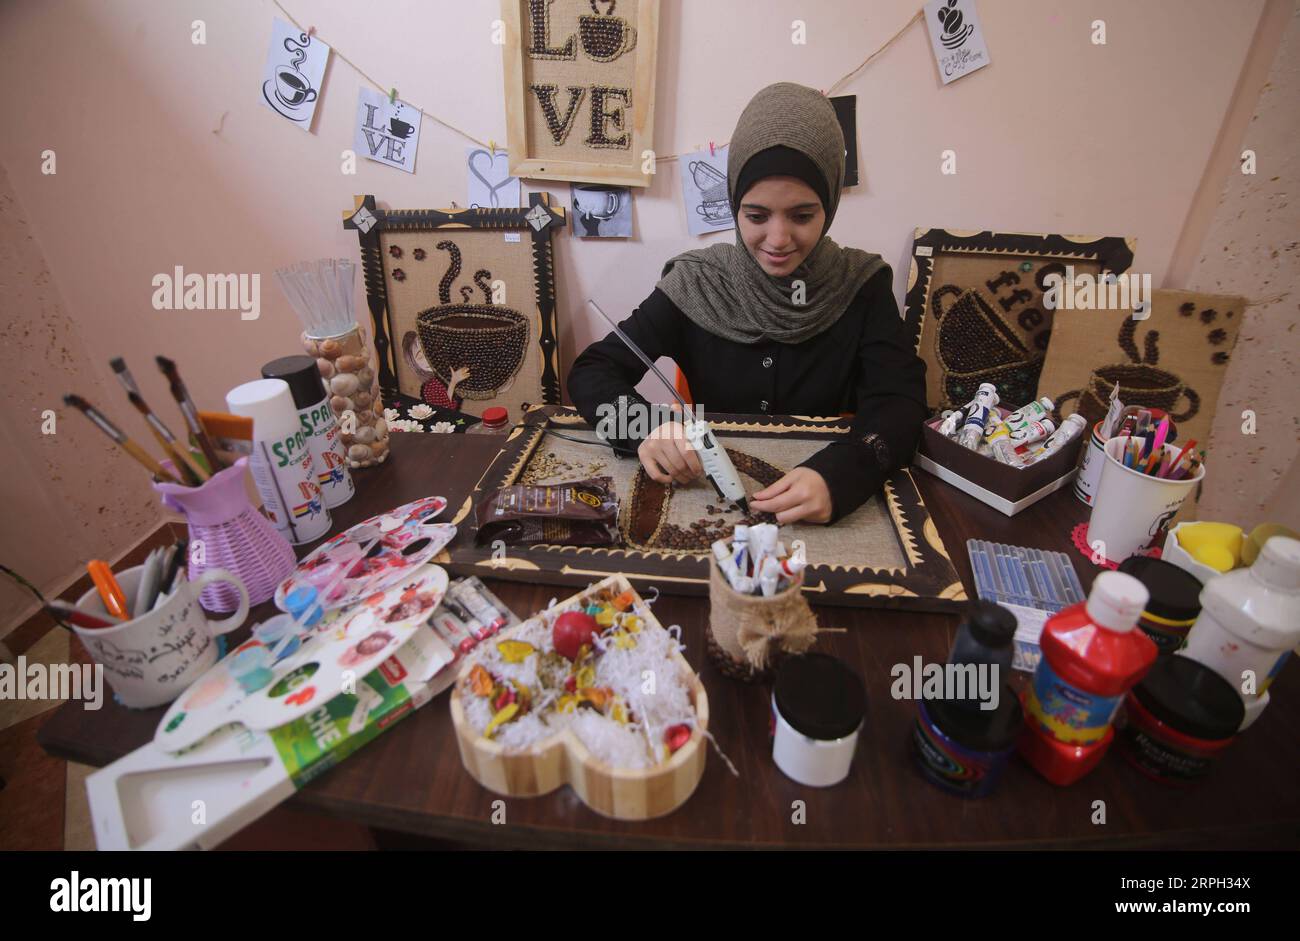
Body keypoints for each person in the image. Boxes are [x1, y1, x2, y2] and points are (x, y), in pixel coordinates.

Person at [567, 83, 927, 525]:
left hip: (820, 509)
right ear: (735, 205)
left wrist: (845, 473)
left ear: (829, 205)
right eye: (756, 216)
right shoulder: (698, 283)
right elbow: (592, 372)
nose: (778, 241)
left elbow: (900, 404)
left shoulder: (862, 285)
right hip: (706, 500)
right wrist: (642, 426)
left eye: (802, 215)